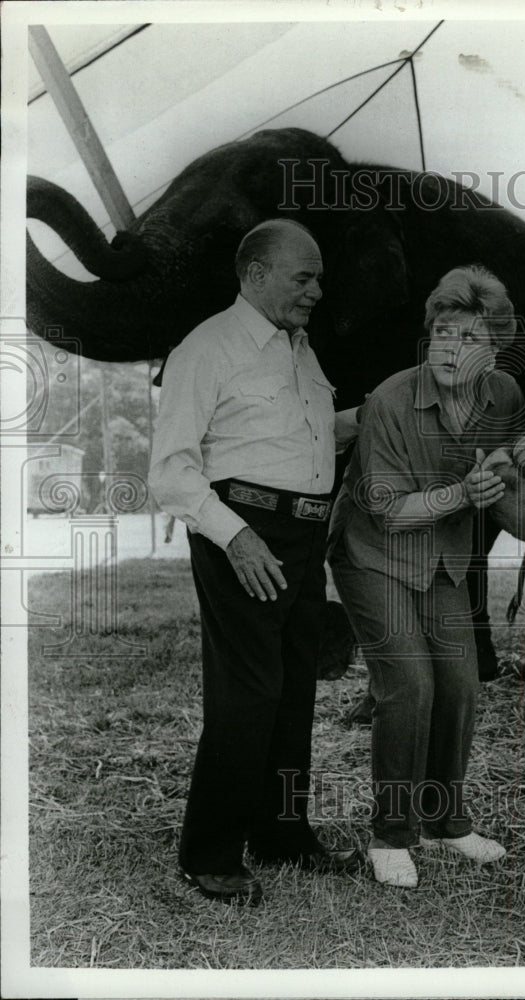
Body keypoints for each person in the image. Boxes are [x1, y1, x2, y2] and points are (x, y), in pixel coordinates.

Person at [149, 219, 364, 905]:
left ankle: (281, 833)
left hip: (303, 537)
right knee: (250, 691)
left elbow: (311, 435)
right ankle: (208, 853)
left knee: (295, 685)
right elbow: (171, 471)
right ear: (255, 273)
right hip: (242, 531)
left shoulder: (300, 351)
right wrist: (235, 538)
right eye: (304, 277)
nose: (318, 291)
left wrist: (393, 406)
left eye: (319, 277)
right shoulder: (207, 348)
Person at [328, 265, 524, 888]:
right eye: (442, 333)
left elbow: (510, 466)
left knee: (461, 684)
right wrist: (464, 494)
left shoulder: (504, 397)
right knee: (409, 683)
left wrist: (513, 479)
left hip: (444, 558)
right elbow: (387, 509)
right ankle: (391, 835)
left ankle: (448, 823)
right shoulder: (388, 401)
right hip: (371, 551)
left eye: (468, 338)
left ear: (493, 351)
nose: (449, 348)